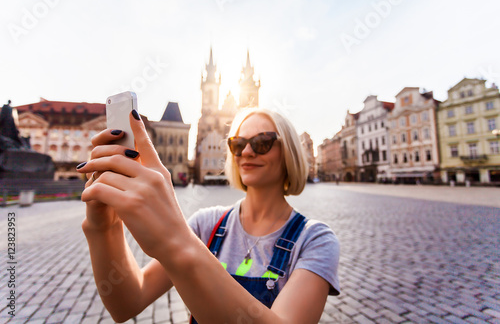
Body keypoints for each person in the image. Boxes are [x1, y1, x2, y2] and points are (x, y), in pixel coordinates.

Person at [77, 107, 340, 323]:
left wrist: (175, 241)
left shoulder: (315, 239)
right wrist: (104, 228)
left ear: (289, 152)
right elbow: (127, 302)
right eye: (238, 144)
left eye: (262, 143)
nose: (247, 152)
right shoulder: (207, 223)